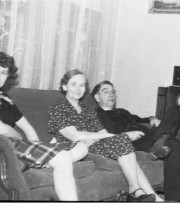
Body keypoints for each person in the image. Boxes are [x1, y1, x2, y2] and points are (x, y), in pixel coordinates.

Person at [48, 69, 163, 202]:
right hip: (74, 148)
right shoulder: (59, 107)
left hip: (92, 144)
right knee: (121, 141)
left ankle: (147, 194)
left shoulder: (88, 110)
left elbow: (102, 133)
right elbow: (74, 135)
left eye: (82, 85)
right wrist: (97, 137)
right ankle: (137, 191)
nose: (78, 89)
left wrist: (107, 137)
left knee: (121, 141)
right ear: (64, 87)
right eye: (73, 84)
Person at [0, 52, 88, 201]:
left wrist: (36, 143)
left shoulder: (6, 99)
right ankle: (46, 161)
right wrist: (14, 134)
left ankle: (42, 161)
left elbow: (27, 128)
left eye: (3, 72)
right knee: (62, 158)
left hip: (17, 144)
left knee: (82, 147)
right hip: (6, 148)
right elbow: (3, 130)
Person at [91, 80, 180, 202]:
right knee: (174, 143)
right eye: (106, 92)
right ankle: (162, 139)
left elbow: (140, 119)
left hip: (147, 137)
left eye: (113, 92)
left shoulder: (122, 111)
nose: (111, 94)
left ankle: (175, 199)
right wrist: (126, 135)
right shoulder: (96, 115)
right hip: (129, 144)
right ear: (97, 97)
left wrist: (152, 119)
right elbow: (103, 136)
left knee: (176, 111)